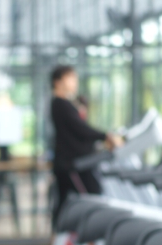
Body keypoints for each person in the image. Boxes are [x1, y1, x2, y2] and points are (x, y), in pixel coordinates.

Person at [50, 65, 122, 227]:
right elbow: (80, 129)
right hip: (71, 164)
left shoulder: (65, 103)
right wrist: (105, 136)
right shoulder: (60, 104)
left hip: (70, 162)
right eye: (71, 78)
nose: (75, 81)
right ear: (58, 82)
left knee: (65, 202)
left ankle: (70, 239)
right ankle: (86, 238)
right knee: (91, 197)